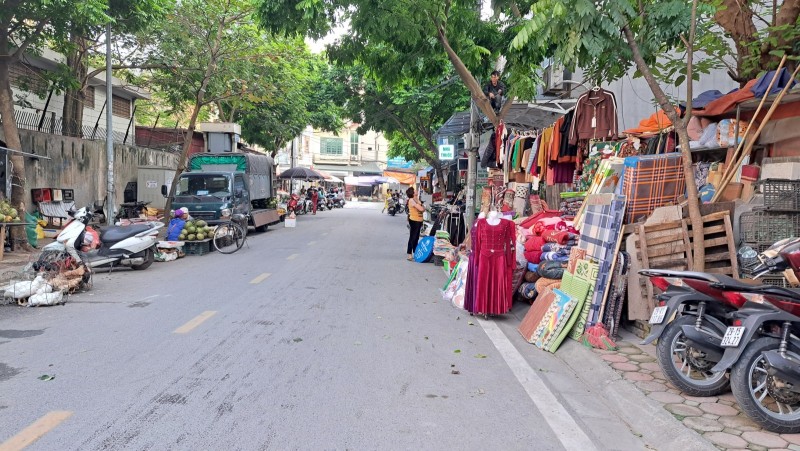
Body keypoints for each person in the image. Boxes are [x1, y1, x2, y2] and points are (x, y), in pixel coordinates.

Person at [406, 187, 425, 261]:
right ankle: (409, 253)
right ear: (413, 193)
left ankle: (415, 252)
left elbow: (422, 208)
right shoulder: (411, 200)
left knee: (416, 237)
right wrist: (422, 206)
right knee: (413, 237)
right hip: (414, 220)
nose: (416, 191)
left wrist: (421, 206)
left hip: (419, 220)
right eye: (415, 190)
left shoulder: (416, 199)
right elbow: (421, 209)